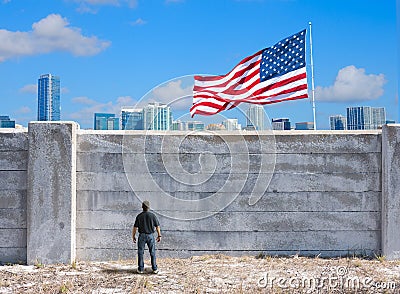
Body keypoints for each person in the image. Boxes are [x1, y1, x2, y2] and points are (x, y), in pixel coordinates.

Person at [132, 200, 162, 274]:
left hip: (141, 236)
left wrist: (133, 236)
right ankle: (154, 268)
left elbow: (135, 227)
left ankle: (141, 269)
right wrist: (159, 235)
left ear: (142, 207)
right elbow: (157, 226)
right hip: (150, 235)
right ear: (149, 207)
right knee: (152, 252)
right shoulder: (152, 216)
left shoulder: (139, 216)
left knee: (140, 252)